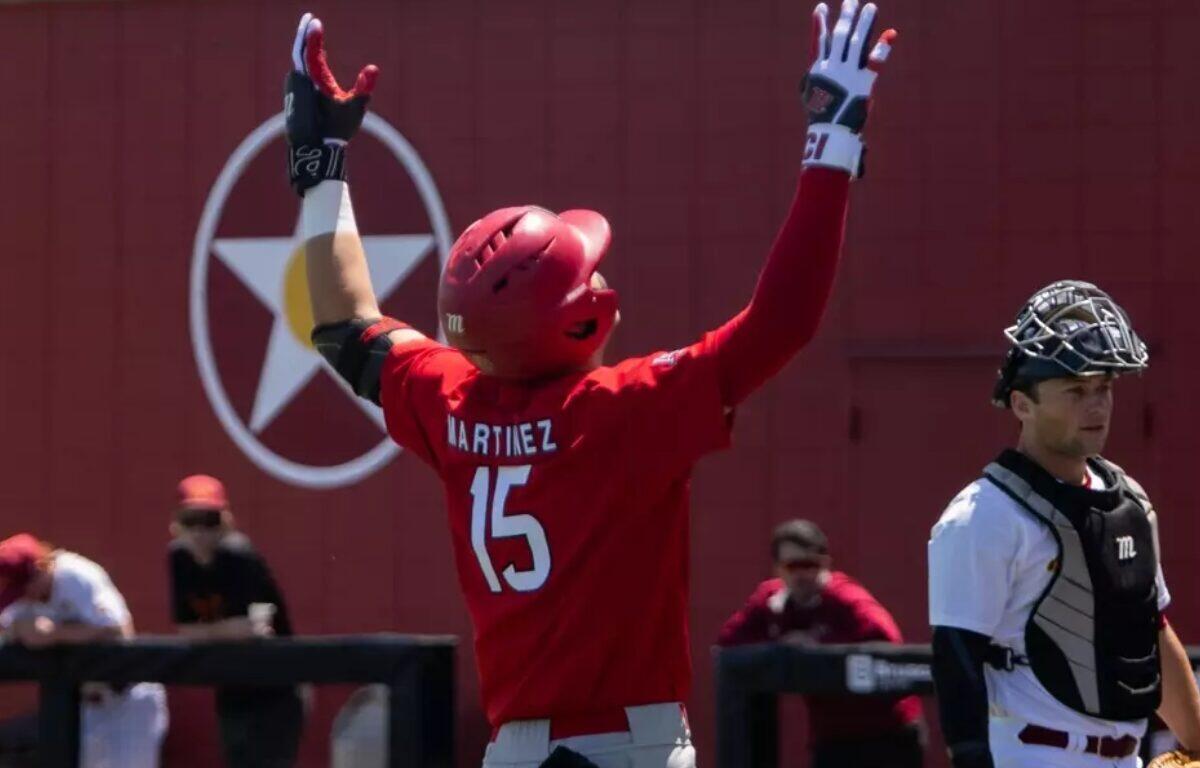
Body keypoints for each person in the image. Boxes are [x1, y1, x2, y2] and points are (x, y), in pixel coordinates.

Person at [282, 1, 897, 764]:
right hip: (628, 748)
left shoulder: (449, 398)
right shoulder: (620, 411)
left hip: (518, 753)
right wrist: (830, 145)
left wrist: (321, 162)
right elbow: (784, 321)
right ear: (578, 320)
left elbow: (340, 321)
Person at [927, 280, 1200, 768]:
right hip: (1032, 754)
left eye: (1104, 387)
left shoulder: (1128, 502)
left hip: (1128, 757)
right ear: (1021, 404)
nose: (1096, 405)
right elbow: (957, 665)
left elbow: (1151, 631)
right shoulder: (981, 517)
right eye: (1075, 390)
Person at [717, 519, 924, 767]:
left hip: (888, 735)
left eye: (811, 565)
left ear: (825, 563)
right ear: (778, 569)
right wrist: (780, 645)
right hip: (831, 738)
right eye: (793, 565)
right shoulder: (772, 601)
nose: (803, 574)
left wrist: (817, 645)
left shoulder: (845, 598)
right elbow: (728, 643)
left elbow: (886, 639)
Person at [168, 474, 304, 768]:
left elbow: (255, 629)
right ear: (177, 524)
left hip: (276, 685)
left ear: (226, 522)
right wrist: (224, 631)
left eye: (210, 521)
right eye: (192, 520)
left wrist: (210, 632)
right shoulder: (179, 559)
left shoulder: (239, 556)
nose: (200, 532)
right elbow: (186, 629)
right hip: (233, 685)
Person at [0, 533, 168, 768]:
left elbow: (118, 631)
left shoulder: (75, 576)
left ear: (41, 568)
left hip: (127, 700)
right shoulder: (24, 596)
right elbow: (9, 625)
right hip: (86, 705)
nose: (24, 596)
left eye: (25, 586)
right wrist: (17, 631)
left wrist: (55, 634)